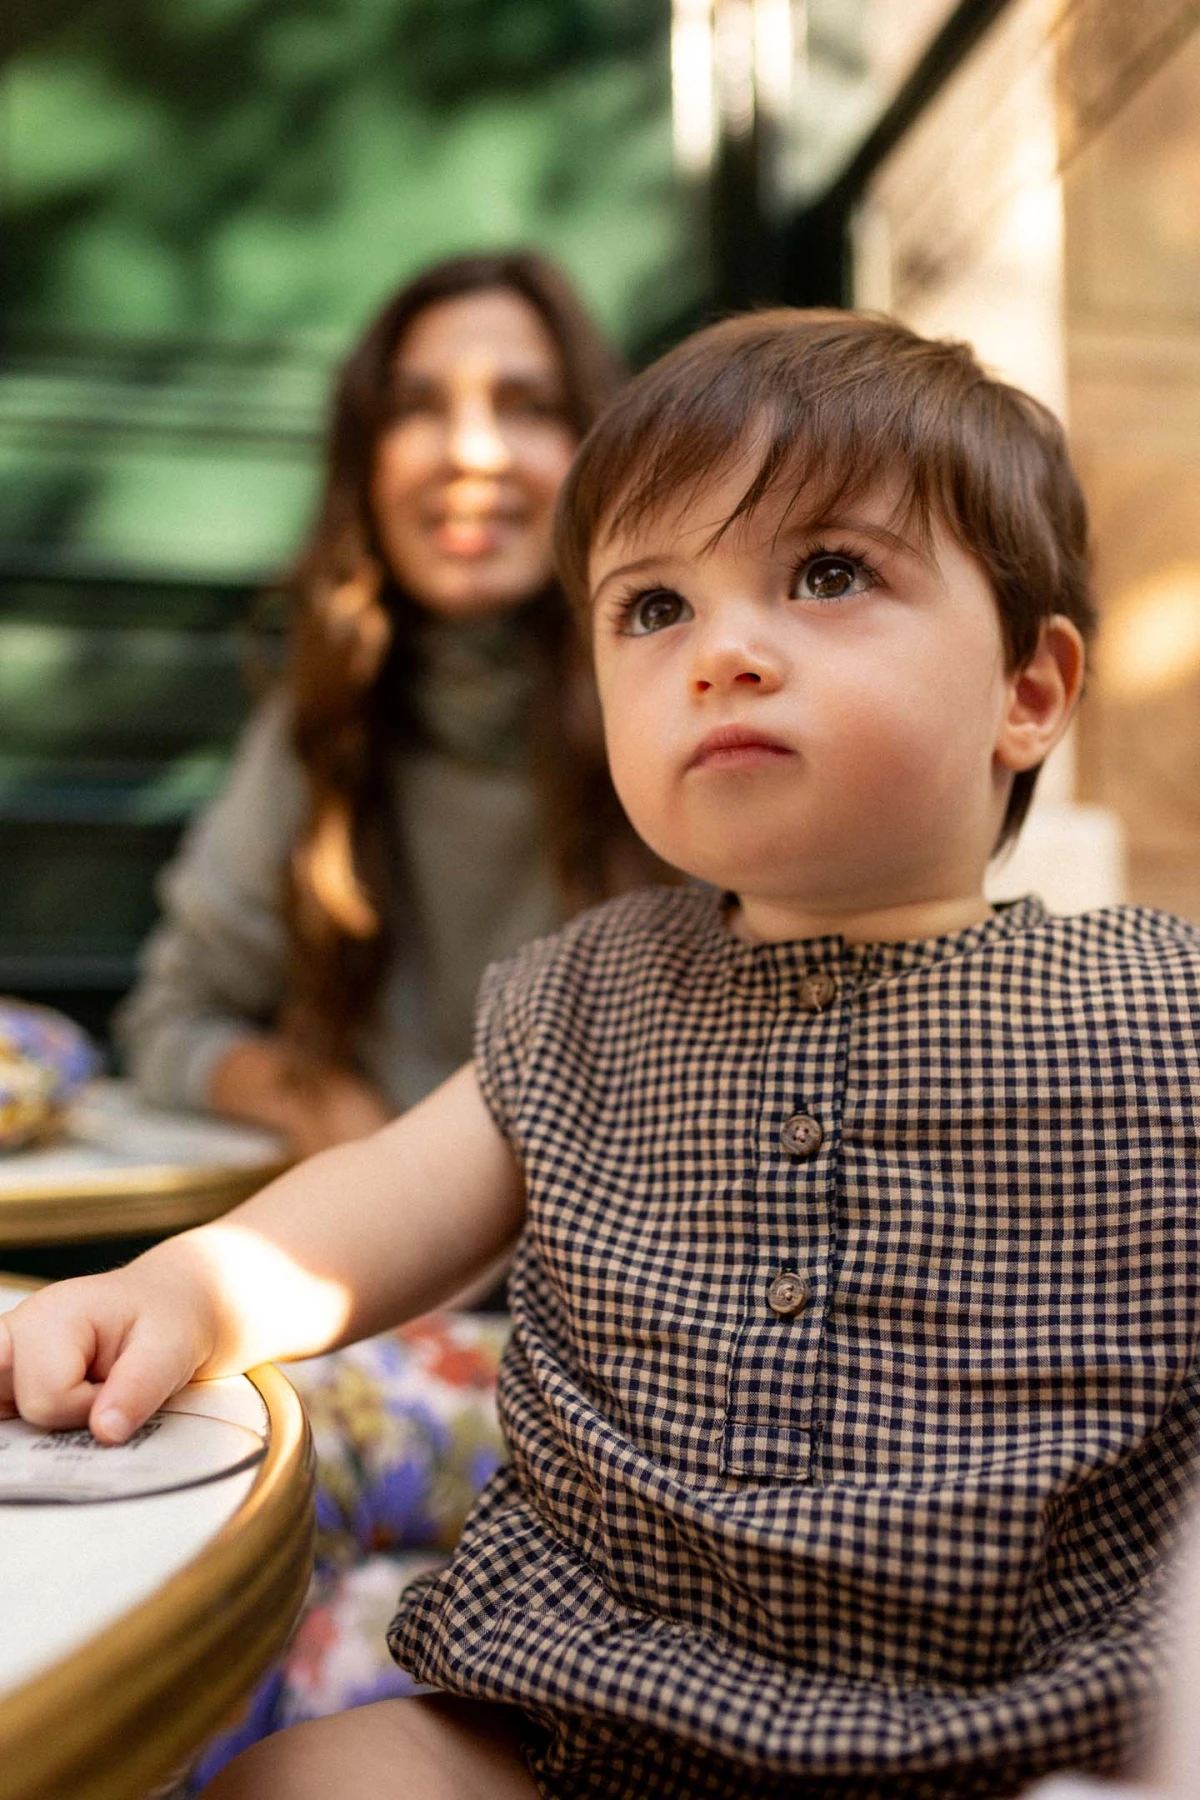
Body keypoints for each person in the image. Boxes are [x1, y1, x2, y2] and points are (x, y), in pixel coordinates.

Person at [4, 308, 1199, 1800]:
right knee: (299, 1784)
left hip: (1011, 1742)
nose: (725, 654)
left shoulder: (1165, 1013)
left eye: (828, 573)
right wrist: (182, 1286)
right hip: (588, 1728)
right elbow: (366, 1211)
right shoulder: (582, 997)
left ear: (1030, 691)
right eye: (653, 609)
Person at [115, 250, 654, 1158]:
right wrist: (340, 1122)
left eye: (528, 406)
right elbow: (170, 1023)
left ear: (595, 450)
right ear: (365, 465)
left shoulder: (687, 699)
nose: (471, 453)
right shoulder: (322, 722)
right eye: (416, 409)